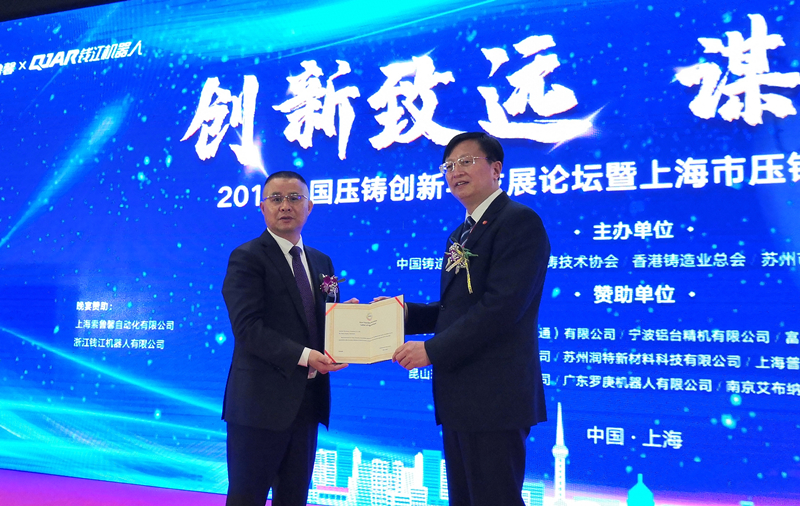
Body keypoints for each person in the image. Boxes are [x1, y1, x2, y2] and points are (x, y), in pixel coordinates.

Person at [392, 132, 550, 506]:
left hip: (495, 396)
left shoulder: (518, 222)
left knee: (495, 498)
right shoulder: (460, 235)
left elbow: (502, 308)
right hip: (460, 395)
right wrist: (398, 314)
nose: (455, 171)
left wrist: (432, 350)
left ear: (496, 169)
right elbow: (455, 308)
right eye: (448, 165)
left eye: (466, 161)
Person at [221, 171, 351, 506]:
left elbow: (322, 320)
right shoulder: (247, 257)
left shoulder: (321, 261)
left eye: (294, 198)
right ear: (262, 207)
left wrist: (346, 320)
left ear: (310, 206)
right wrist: (306, 356)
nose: (285, 206)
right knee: (246, 498)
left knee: (294, 499)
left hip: (307, 403)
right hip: (258, 406)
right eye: (276, 198)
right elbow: (248, 329)